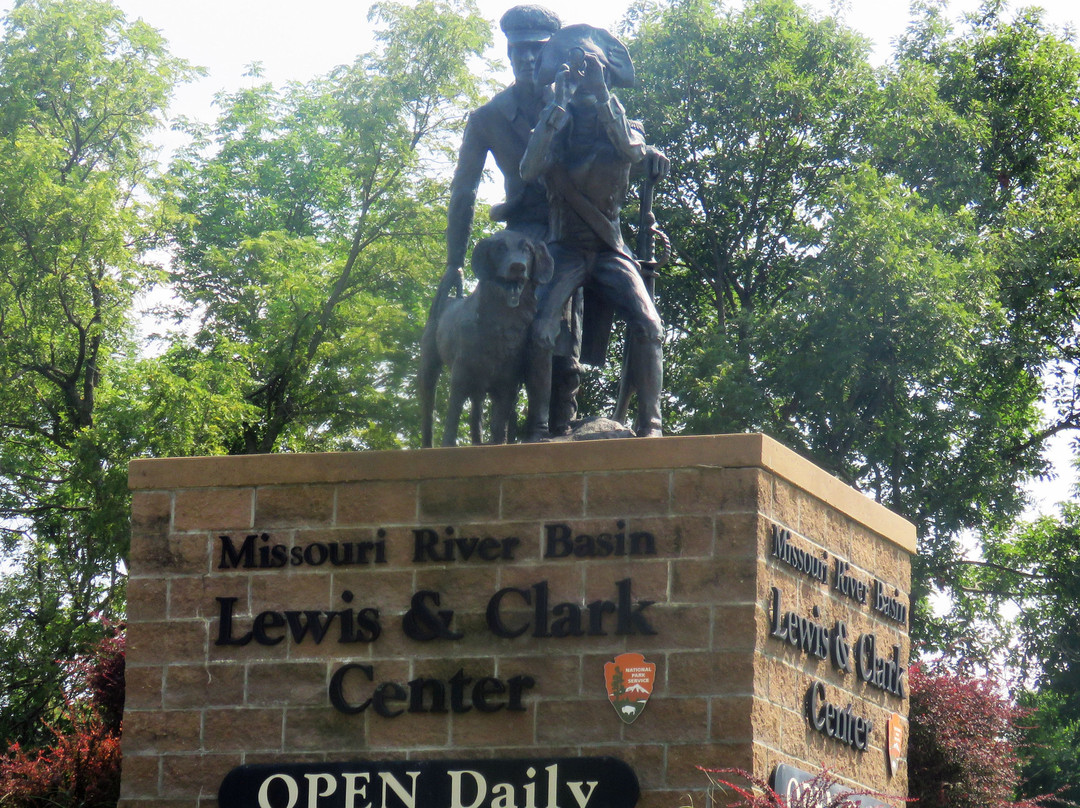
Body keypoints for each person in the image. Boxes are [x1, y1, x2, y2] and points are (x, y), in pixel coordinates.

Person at [439, 5, 583, 436]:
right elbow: (462, 192)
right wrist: (454, 259)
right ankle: (518, 418)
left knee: (565, 314)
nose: (527, 59)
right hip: (524, 233)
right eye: (517, 50)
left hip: (576, 228)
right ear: (508, 52)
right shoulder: (487, 119)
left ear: (553, 54)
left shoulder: (576, 104)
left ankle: (559, 419)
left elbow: (613, 153)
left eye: (537, 50)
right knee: (511, 301)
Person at [520, 24, 668, 440]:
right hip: (563, 248)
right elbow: (528, 169)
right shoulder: (554, 124)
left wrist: (604, 96)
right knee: (541, 329)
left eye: (595, 68)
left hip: (608, 250)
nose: (587, 75)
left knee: (649, 325)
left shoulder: (626, 123)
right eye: (580, 69)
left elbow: (632, 152)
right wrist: (558, 105)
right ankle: (538, 427)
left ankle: (651, 426)